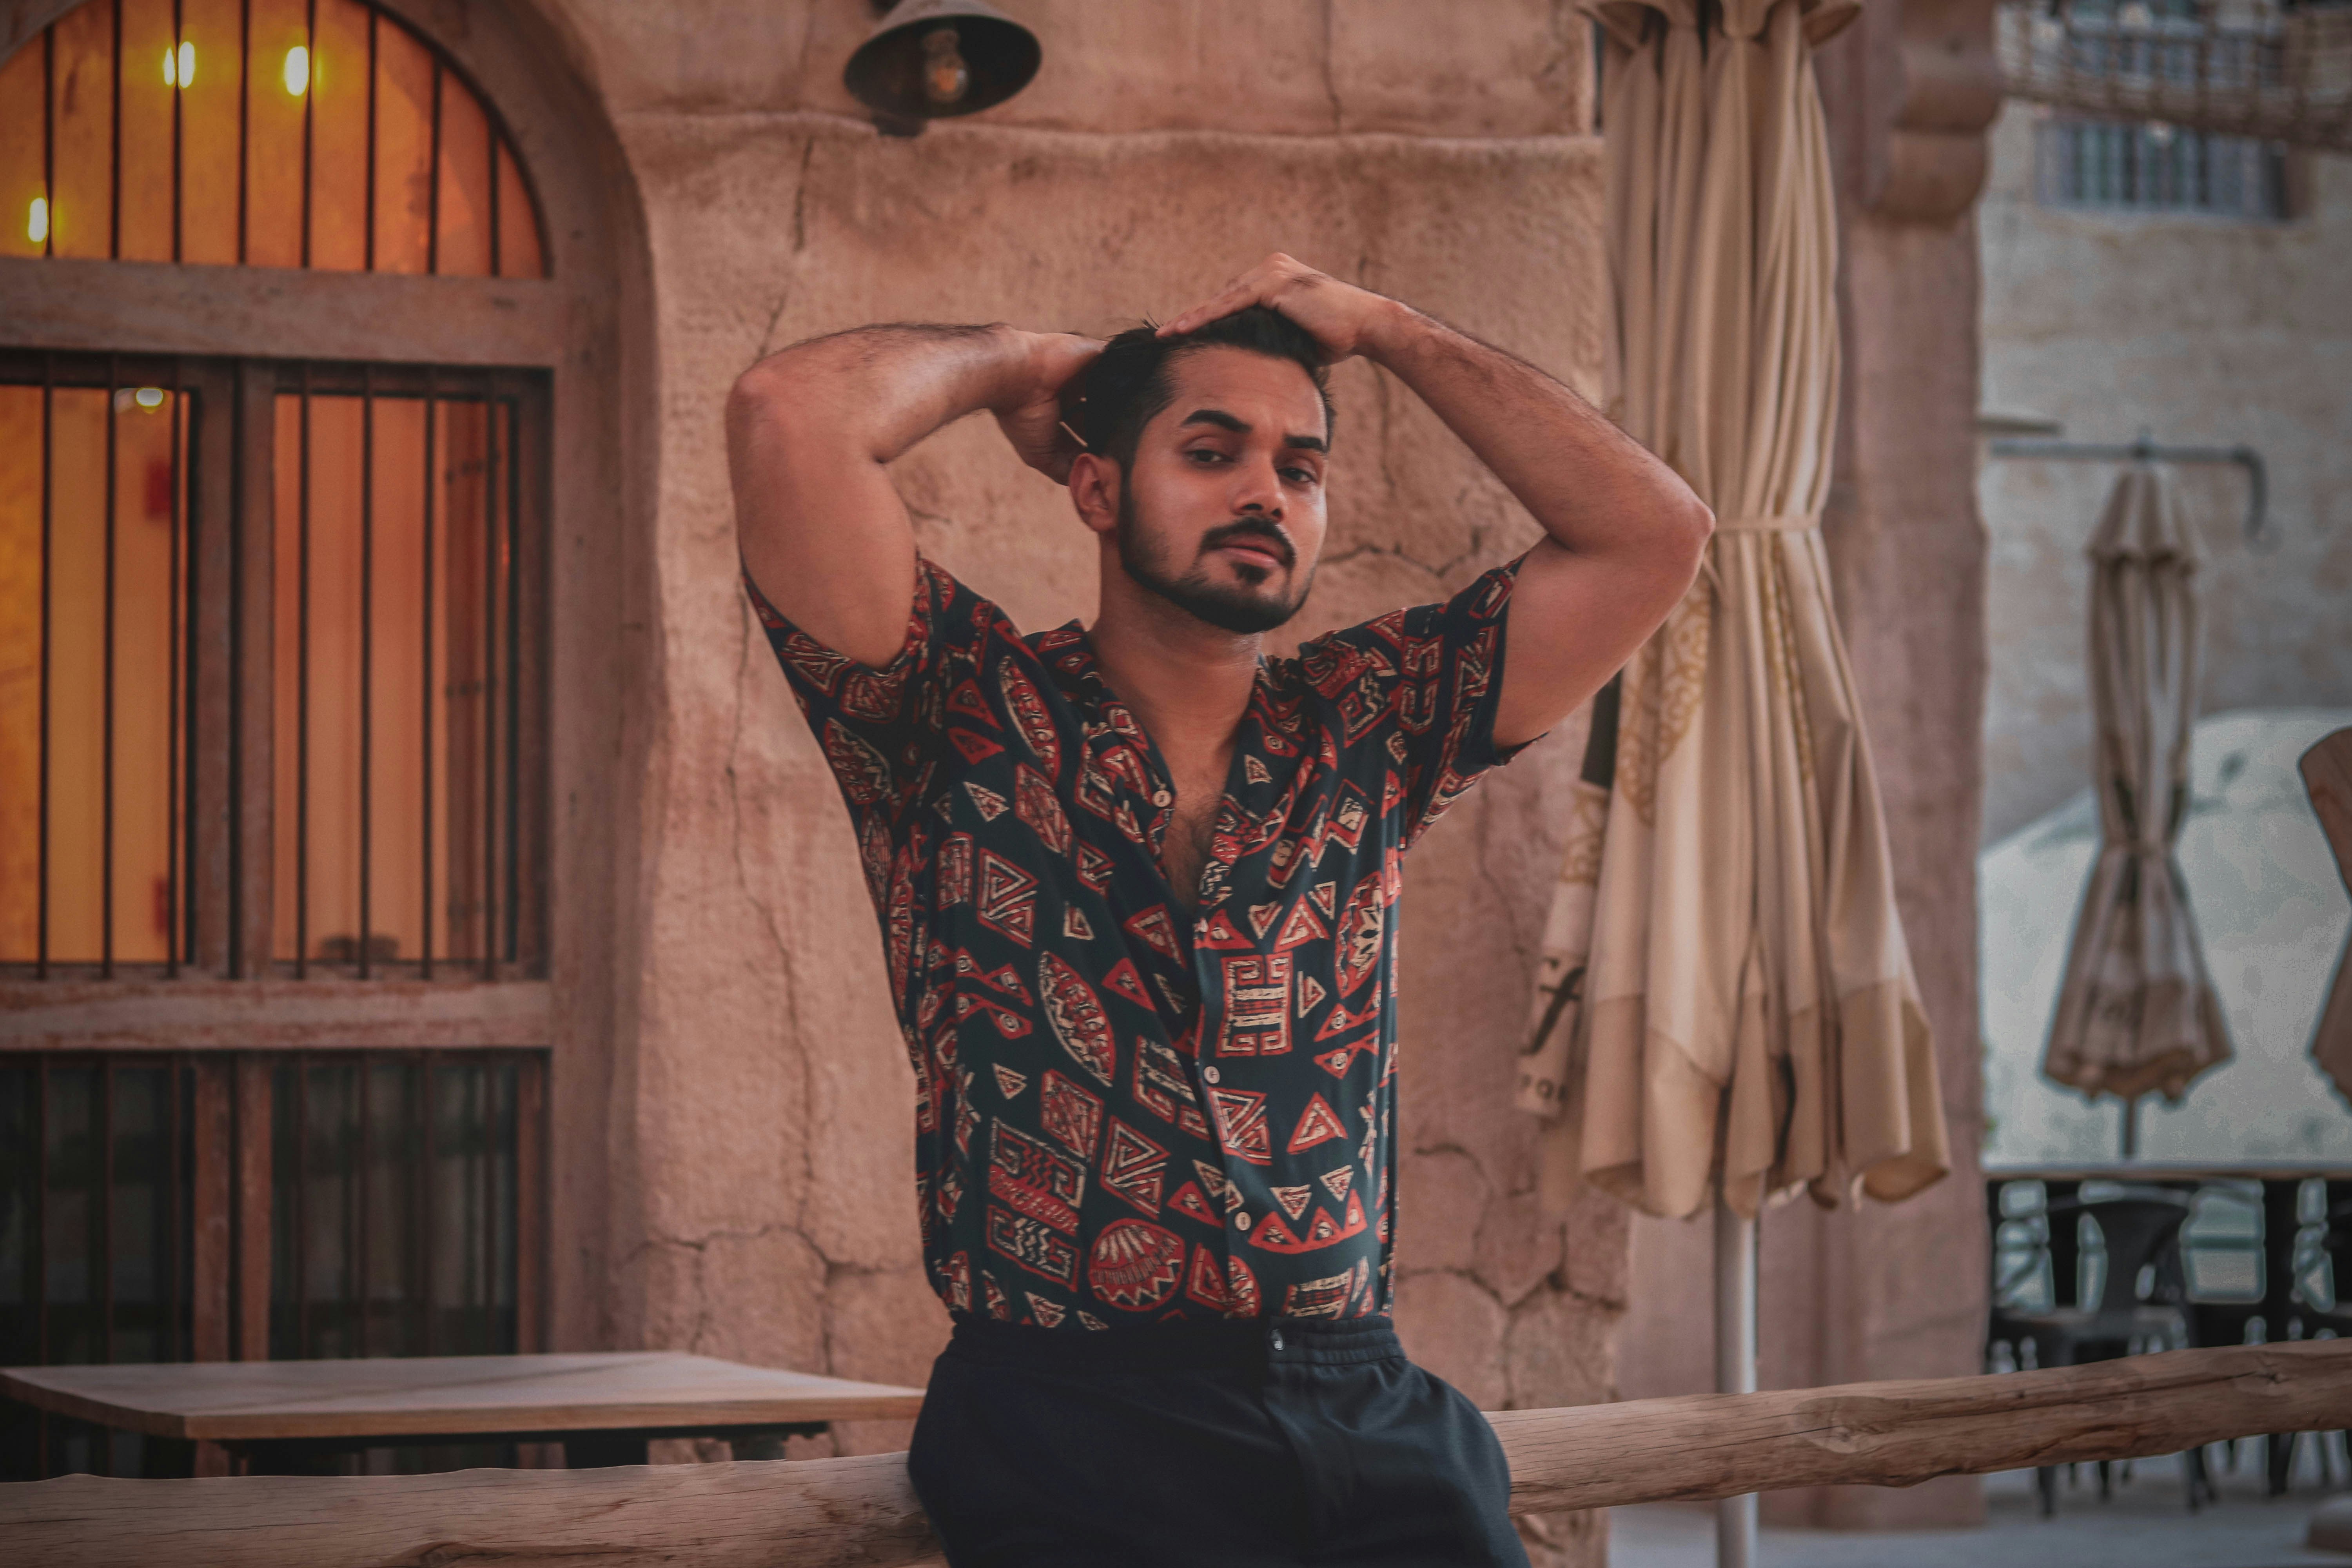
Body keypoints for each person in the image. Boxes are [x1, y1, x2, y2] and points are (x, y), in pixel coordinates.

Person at [726, 254, 1710, 1568]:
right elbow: (790, 414)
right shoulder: (951, 710)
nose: (1266, 491)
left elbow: (1654, 533)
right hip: (1072, 1424)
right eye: (1212, 451)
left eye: (1301, 469)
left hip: (1367, 1407)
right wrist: (1031, 361)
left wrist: (1386, 327)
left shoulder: (1370, 723)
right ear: (1095, 486)